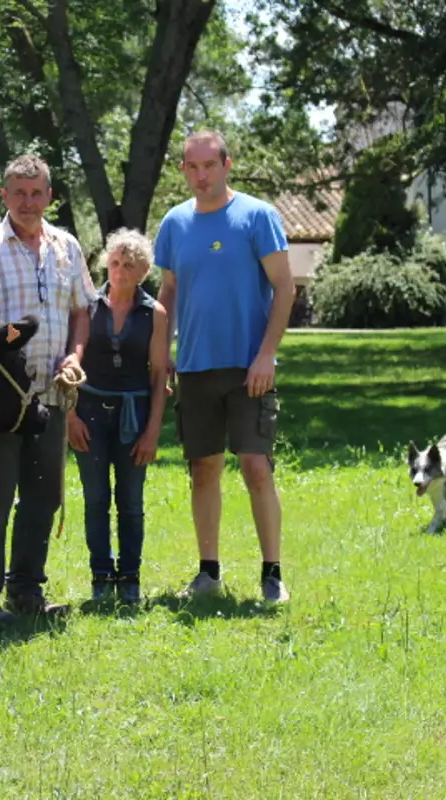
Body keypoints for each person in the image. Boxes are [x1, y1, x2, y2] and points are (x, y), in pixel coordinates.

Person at [0, 153, 96, 625]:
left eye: (37, 193)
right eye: (19, 192)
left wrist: (74, 356)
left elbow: (81, 310)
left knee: (42, 498)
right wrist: (1, 350)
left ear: (49, 196)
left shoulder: (66, 248)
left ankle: (27, 591)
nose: (28, 202)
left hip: (52, 397)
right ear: (4, 196)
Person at [153, 131, 295, 605]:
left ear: (226, 166)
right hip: (194, 367)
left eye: (209, 165)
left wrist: (267, 354)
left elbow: (284, 288)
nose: (201, 175)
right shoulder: (174, 224)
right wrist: (164, 345)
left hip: (248, 367)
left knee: (256, 466)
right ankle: (208, 572)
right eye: (191, 167)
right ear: (183, 171)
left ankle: (272, 574)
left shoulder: (257, 216)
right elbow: (168, 292)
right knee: (204, 468)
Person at [66, 229, 169, 604]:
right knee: (95, 499)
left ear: (143, 271)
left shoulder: (154, 313)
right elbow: (69, 367)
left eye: (129, 265)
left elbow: (159, 374)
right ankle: (99, 576)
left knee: (130, 500)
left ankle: (129, 577)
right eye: (114, 263)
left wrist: (153, 429)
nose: (120, 271)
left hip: (134, 414)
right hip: (89, 411)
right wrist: (70, 417)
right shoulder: (87, 307)